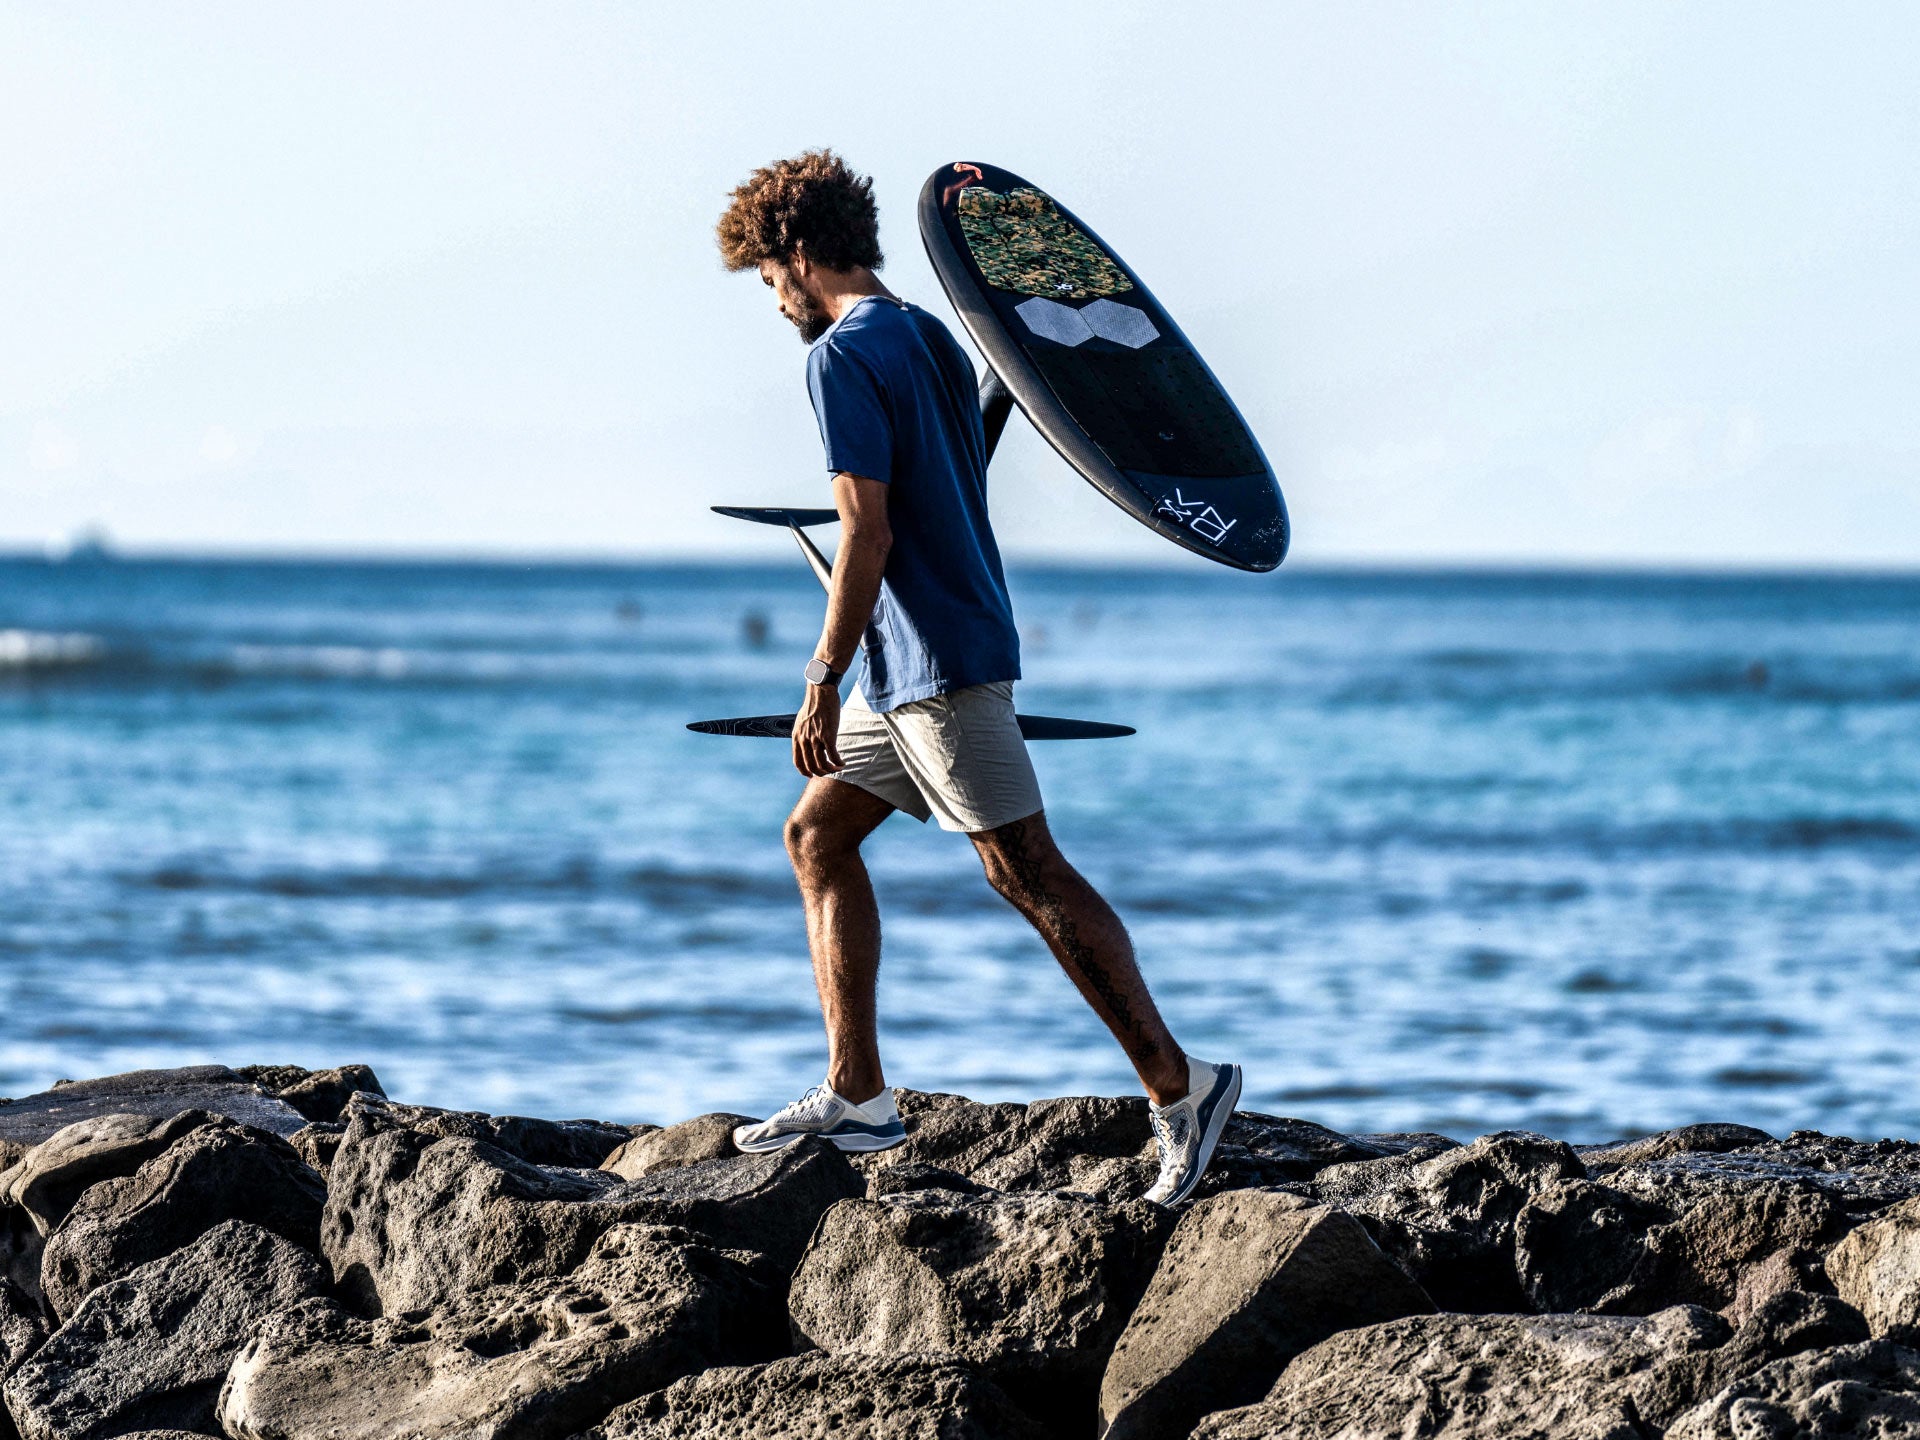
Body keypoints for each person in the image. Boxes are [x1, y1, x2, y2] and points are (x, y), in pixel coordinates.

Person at [714, 150, 1239, 1205]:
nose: (775, 304)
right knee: (817, 836)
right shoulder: (935, 339)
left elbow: (866, 532)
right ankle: (857, 1092)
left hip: (936, 664)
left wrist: (819, 679)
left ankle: (1183, 1088)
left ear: (799, 254)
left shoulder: (841, 357)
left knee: (1024, 869)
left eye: (769, 280)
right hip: (918, 658)